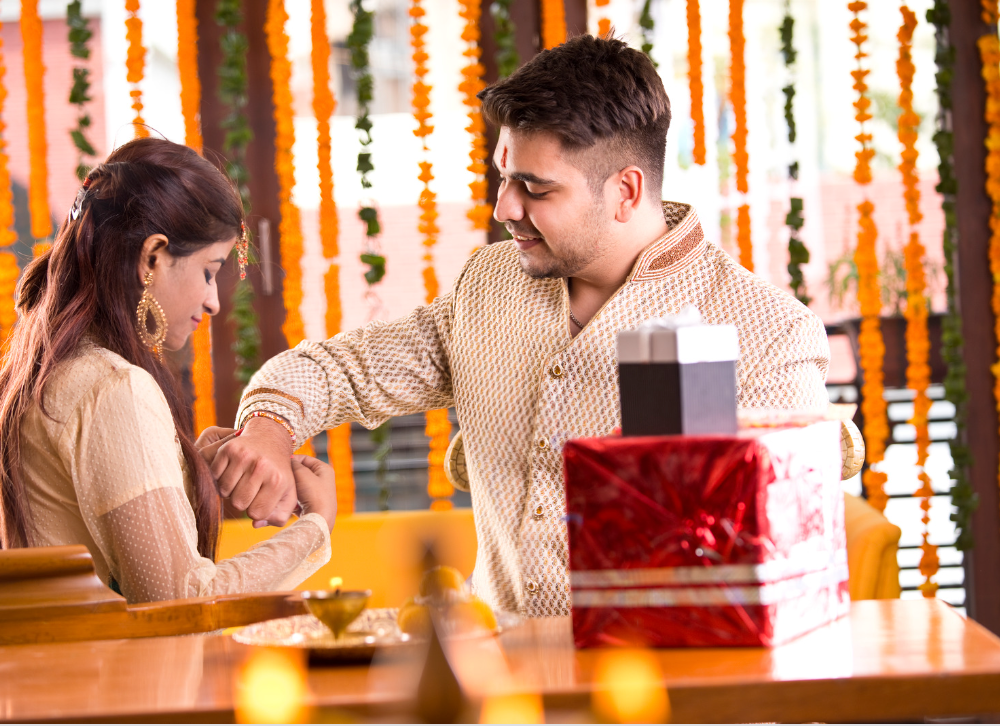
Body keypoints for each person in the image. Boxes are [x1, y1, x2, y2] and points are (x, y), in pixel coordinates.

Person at [212, 34, 830, 617]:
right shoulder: (489, 284)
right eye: (504, 177)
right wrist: (269, 427)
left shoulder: (769, 332)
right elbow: (339, 370)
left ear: (625, 190)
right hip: (502, 674)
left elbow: (789, 542)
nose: (504, 207)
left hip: (672, 676)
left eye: (535, 188)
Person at [0, 137, 336, 604]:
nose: (214, 301)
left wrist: (190, 470)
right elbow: (180, 600)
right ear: (152, 258)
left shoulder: (48, 369)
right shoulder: (114, 387)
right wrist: (315, 527)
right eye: (209, 271)